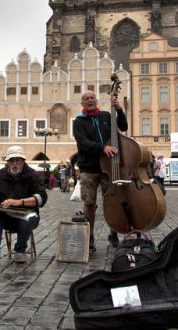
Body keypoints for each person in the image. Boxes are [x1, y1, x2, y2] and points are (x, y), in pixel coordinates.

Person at [72, 90, 127, 252]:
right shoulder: (78, 122)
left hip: (109, 168)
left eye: (92, 98)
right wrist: (102, 147)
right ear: (82, 103)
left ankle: (113, 233)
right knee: (89, 204)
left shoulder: (105, 116)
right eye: (86, 99)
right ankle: (89, 238)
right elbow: (83, 143)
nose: (89, 100)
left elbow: (123, 127)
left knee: (112, 202)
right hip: (89, 169)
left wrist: (119, 110)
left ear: (96, 101)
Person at [0, 146, 47, 268]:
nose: (14, 164)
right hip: (7, 216)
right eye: (11, 160)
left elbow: (41, 198)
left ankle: (20, 249)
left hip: (27, 215)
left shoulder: (33, 175)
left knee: (29, 217)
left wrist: (18, 202)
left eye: (18, 160)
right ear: (7, 162)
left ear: (23, 161)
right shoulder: (0, 174)